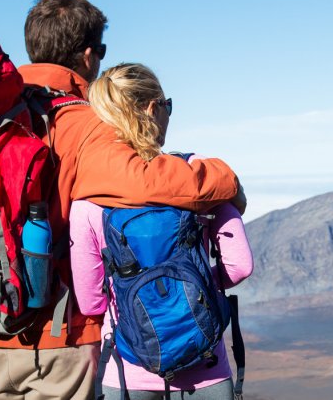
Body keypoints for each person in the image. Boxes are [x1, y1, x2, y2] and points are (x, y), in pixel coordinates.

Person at [0, 0, 247, 400]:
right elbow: (147, 181)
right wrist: (225, 179)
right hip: (60, 332)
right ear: (89, 55)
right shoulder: (88, 124)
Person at [71, 63, 253, 400]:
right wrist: (192, 286)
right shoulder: (199, 176)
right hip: (207, 365)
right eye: (167, 104)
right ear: (154, 107)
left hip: (129, 367)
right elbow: (239, 266)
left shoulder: (89, 198)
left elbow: (90, 301)